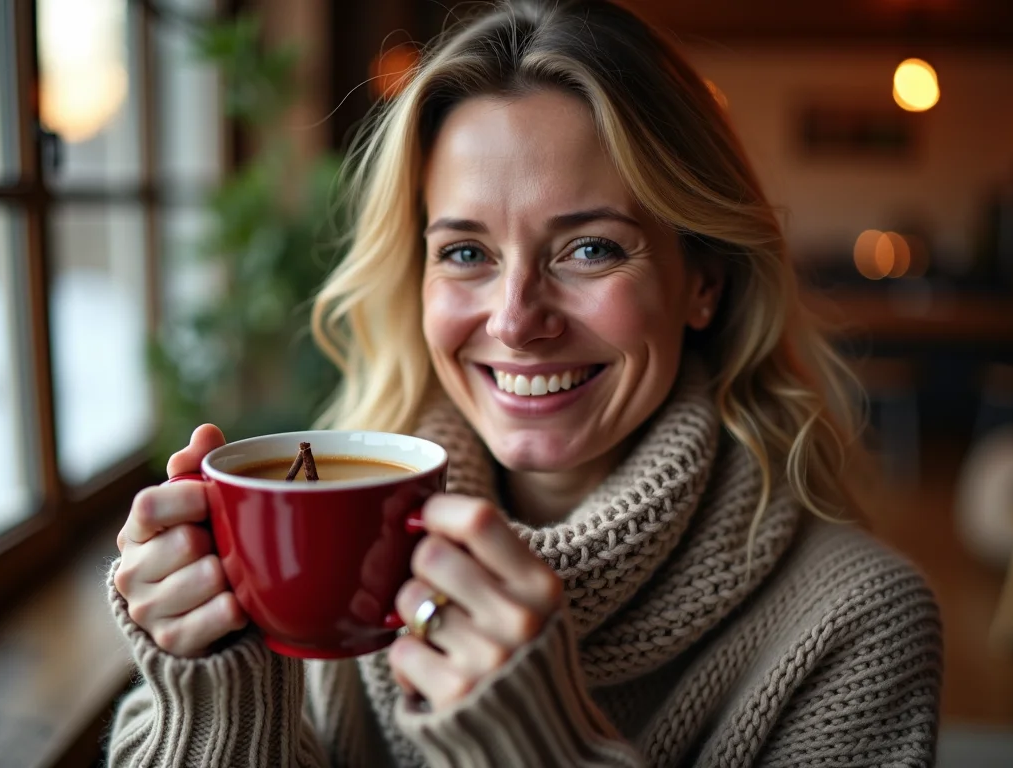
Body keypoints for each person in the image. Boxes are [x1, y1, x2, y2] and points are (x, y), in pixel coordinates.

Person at [107, 0, 942, 765]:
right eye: (466, 252)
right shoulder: (337, 554)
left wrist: (544, 747)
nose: (515, 319)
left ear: (703, 281)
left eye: (591, 249)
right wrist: (218, 698)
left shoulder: (857, 624)